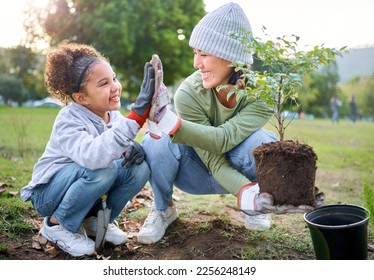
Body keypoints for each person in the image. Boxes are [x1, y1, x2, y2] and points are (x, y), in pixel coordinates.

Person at [137, 2, 322, 244]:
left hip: (238, 168)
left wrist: (169, 121)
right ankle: (163, 209)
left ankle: (254, 208)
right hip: (195, 171)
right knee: (155, 141)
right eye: (195, 52)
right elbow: (213, 158)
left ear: (231, 58)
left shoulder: (261, 94)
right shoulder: (188, 94)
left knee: (264, 142)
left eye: (204, 54)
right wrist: (166, 126)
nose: (196, 64)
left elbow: (224, 139)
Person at [21, 42, 156, 257]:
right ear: (81, 98)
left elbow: (113, 145)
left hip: (84, 184)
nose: (115, 86)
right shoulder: (68, 118)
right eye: (104, 83)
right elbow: (93, 156)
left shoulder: (113, 115)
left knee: (139, 169)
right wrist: (137, 116)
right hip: (48, 194)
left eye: (114, 78)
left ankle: (95, 220)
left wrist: (131, 147)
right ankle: (58, 225)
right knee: (102, 169)